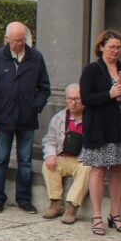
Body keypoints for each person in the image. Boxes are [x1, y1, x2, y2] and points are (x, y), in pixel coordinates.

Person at [79, 30, 121, 236]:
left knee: (117, 170)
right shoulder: (92, 70)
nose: (115, 51)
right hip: (100, 128)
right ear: (101, 47)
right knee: (98, 169)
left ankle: (115, 215)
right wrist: (109, 94)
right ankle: (97, 216)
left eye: (118, 47)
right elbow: (87, 98)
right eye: (112, 47)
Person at [0, 22, 51, 214]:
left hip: (26, 119)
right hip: (2, 118)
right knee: (0, 159)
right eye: (15, 41)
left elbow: (44, 87)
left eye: (22, 40)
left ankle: (24, 199)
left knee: (25, 160)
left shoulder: (36, 58)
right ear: (7, 39)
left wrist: (36, 106)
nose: (19, 45)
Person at [40, 84, 92, 223]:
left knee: (87, 169)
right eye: (70, 99)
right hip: (64, 157)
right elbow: (49, 139)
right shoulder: (59, 118)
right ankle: (56, 203)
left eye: (77, 99)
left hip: (82, 160)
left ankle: (72, 207)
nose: (73, 103)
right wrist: (50, 155)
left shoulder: (91, 118)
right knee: (48, 165)